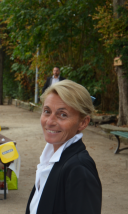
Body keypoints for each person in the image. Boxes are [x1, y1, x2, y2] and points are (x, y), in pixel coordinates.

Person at [26, 80, 102, 214]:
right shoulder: (50, 160)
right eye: (47, 111)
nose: (49, 122)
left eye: (63, 115)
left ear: (83, 123)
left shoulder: (79, 169)